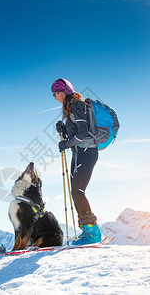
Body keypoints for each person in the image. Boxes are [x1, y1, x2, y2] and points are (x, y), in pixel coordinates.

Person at [51, 78, 101, 245]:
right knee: (75, 192)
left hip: (86, 152)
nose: (55, 98)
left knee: (78, 191)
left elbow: (82, 133)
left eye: (55, 94)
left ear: (62, 92)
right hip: (79, 153)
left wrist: (65, 144)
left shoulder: (77, 105)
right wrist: (64, 130)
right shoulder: (71, 107)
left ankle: (93, 233)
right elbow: (76, 133)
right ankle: (87, 231)